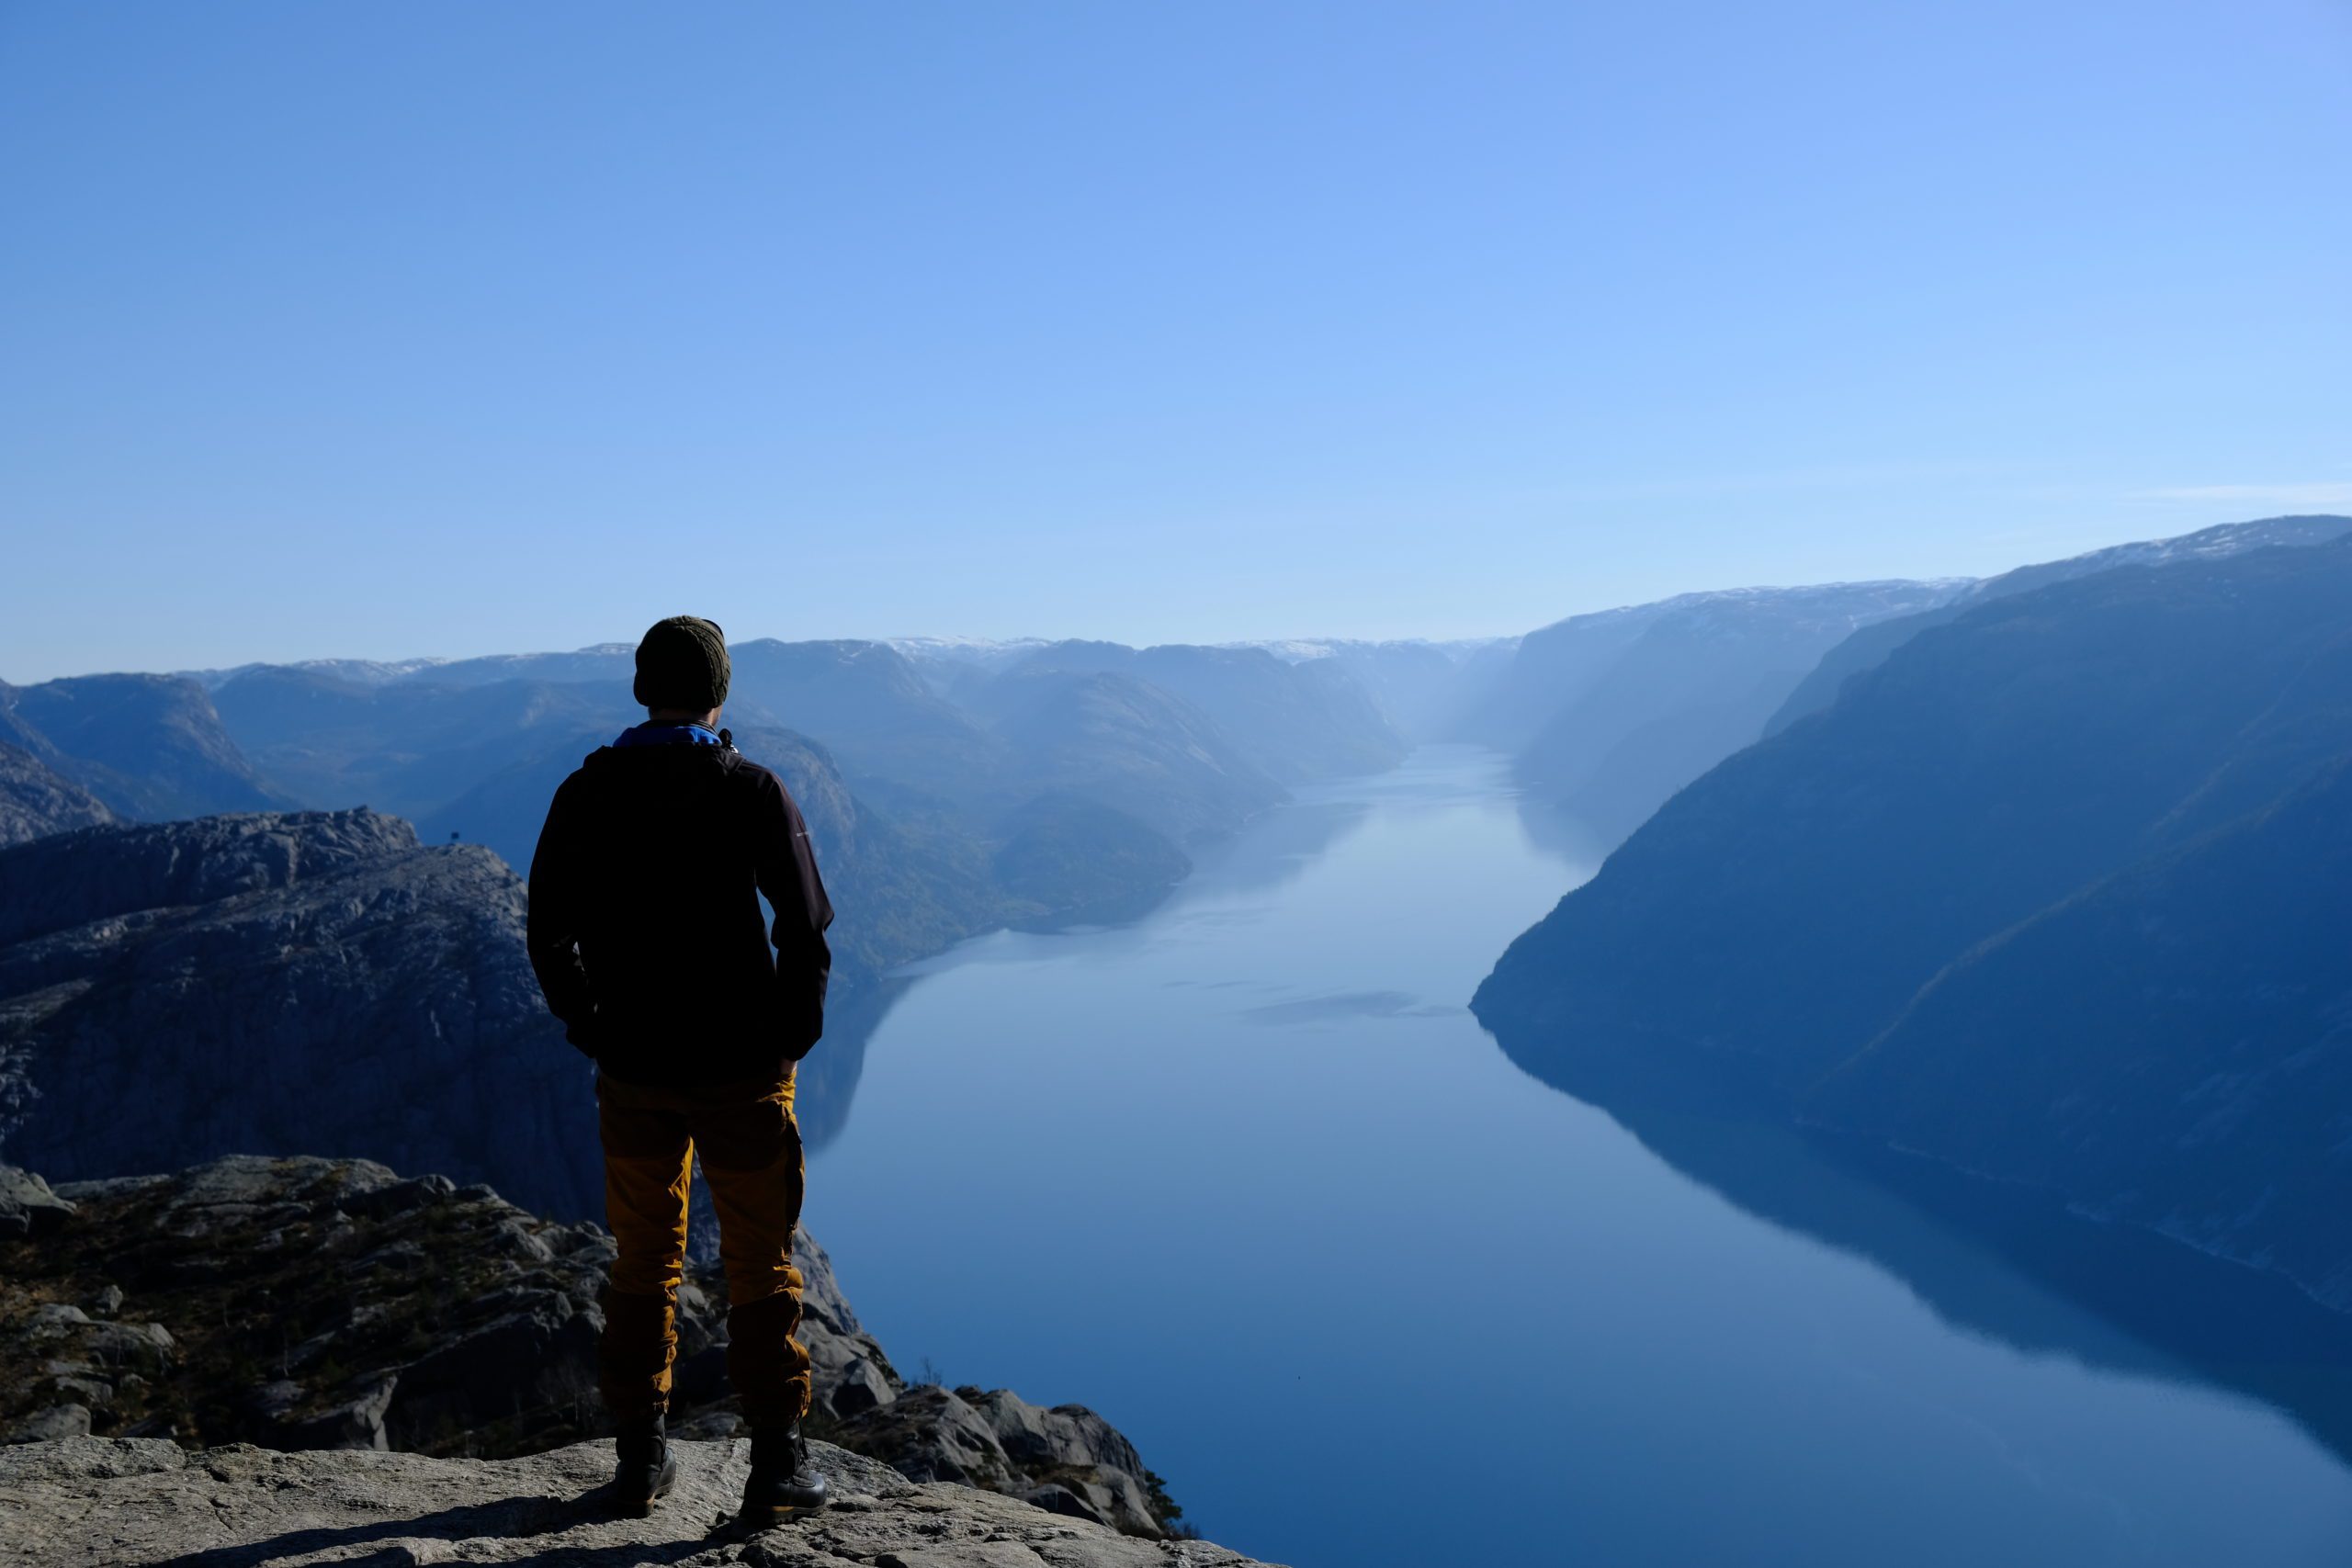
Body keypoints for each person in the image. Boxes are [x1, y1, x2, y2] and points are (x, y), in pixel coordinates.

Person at [526, 615, 835, 1523]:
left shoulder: (588, 792)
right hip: (742, 1069)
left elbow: (548, 927)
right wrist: (793, 1035)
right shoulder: (749, 787)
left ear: (641, 690)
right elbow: (806, 925)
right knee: (759, 1261)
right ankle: (777, 1465)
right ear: (719, 692)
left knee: (644, 1260)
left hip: (635, 1073)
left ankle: (639, 1460)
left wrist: (591, 1024)